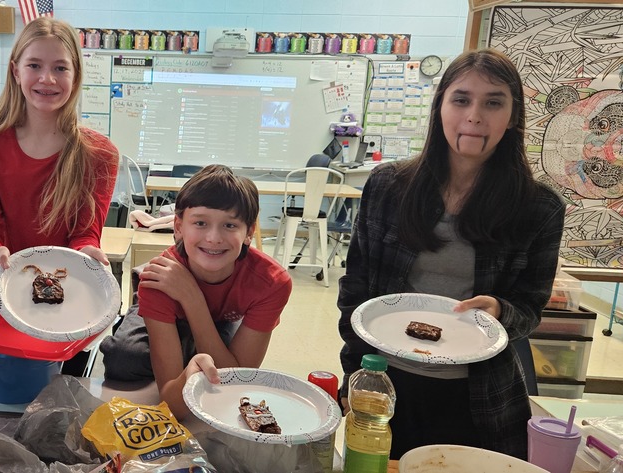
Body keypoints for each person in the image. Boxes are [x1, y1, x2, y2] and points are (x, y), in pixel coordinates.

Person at [337, 49, 566, 459]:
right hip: (388, 386)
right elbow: (356, 290)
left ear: (512, 116)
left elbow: (529, 309)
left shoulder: (538, 209)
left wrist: (499, 309)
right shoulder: (389, 187)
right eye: (461, 99)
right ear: (440, 105)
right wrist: (355, 376)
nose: (475, 115)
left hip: (478, 396)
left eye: (493, 102)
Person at [100, 165, 293, 418]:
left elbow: (235, 382)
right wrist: (187, 373)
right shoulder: (158, 278)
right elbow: (169, 398)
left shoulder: (271, 283)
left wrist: (192, 298)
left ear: (249, 232)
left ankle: (187, 345)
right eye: (200, 223)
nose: (213, 238)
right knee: (125, 358)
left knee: (216, 369)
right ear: (178, 227)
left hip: (218, 315)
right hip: (167, 298)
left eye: (230, 225)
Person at [0, 17, 119, 315]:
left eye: (60, 68)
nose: (47, 79)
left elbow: (85, 234)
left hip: (67, 301)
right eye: (34, 65)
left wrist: (87, 254)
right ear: (15, 71)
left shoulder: (100, 154)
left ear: (75, 77)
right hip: (5, 298)